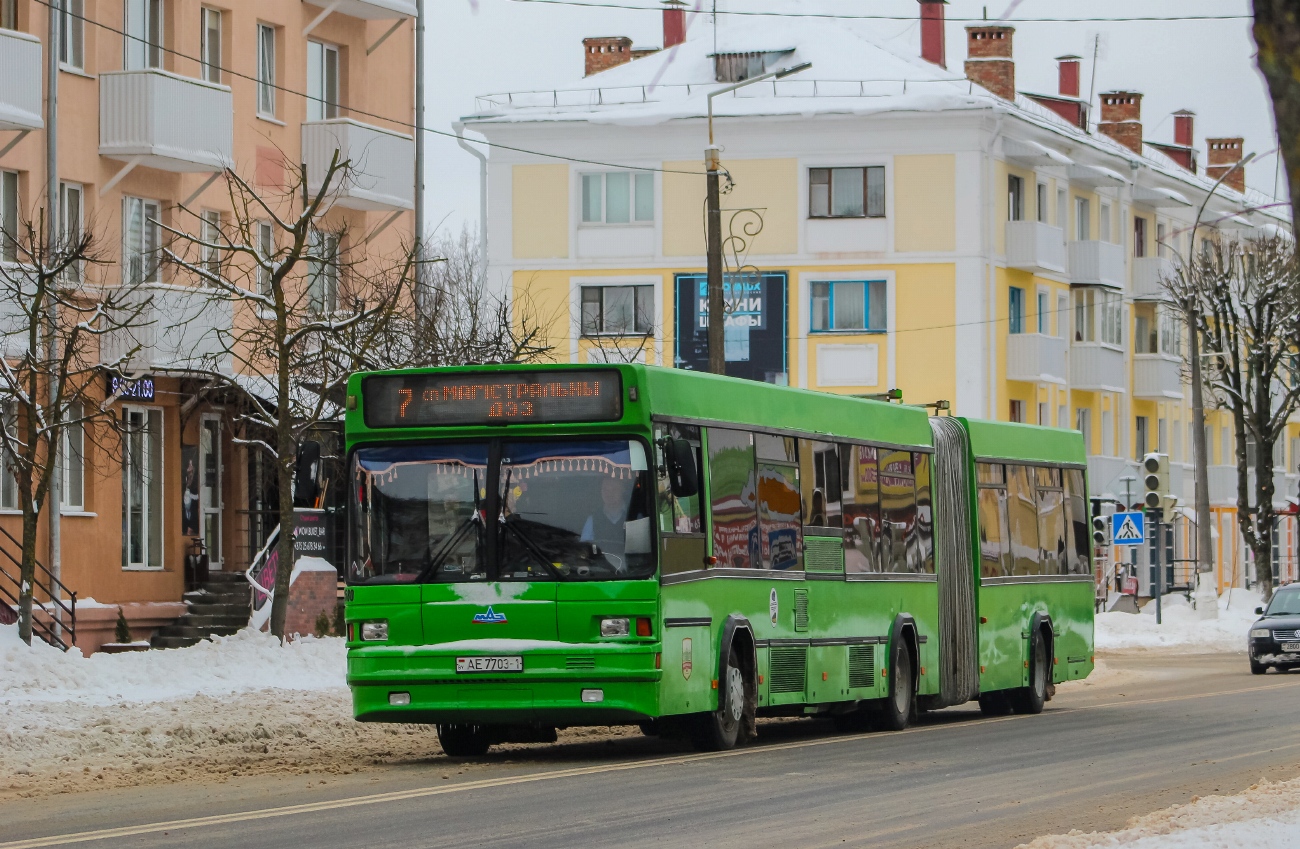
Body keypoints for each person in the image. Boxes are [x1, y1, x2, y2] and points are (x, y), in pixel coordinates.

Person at [581, 476, 631, 570]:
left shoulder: (634, 516)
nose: (609, 494)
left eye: (614, 489)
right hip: (600, 573)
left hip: (630, 573)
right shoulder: (592, 519)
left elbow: (641, 551)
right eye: (605, 489)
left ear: (623, 490)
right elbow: (584, 550)